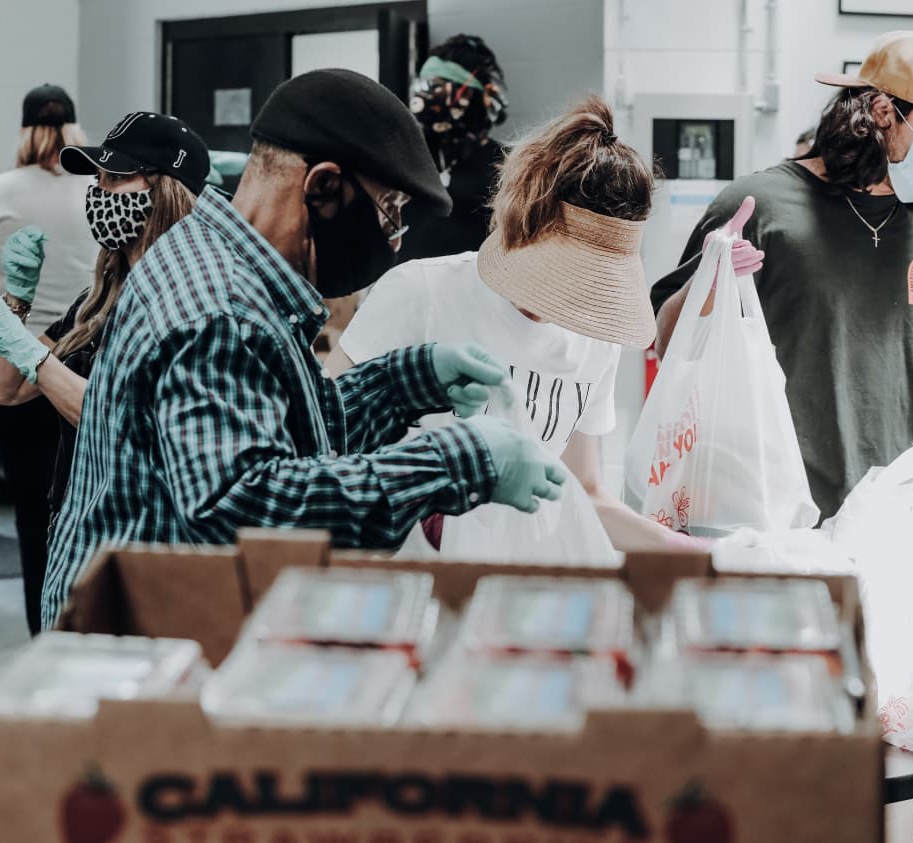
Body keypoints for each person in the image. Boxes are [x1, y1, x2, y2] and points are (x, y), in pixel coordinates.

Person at [38, 70, 566, 629]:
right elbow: (250, 509)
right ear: (323, 187)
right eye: (390, 210)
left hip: (156, 617)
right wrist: (457, 461)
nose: (395, 237)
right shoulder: (221, 309)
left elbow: (287, 435)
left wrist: (405, 380)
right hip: (135, 650)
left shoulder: (226, 264)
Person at [331, 95, 738, 552]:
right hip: (409, 578)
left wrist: (702, 554)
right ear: (525, 225)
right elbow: (323, 435)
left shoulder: (594, 341)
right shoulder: (420, 294)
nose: (568, 299)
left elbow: (585, 493)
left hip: (518, 584)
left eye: (591, 280)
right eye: (566, 272)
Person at [651, 30, 913, 520]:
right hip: (774, 515)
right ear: (884, 113)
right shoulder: (759, 207)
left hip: (899, 517)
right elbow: (667, 342)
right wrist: (712, 282)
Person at [0, 111, 208, 634]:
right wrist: (17, 302)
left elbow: (119, 422)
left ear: (165, 190)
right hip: (80, 524)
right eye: (97, 178)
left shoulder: (190, 302)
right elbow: (6, 390)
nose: (99, 192)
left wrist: (32, 353)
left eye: (115, 178)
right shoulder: (99, 298)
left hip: (140, 542)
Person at [0, 85, 97, 635]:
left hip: (12, 367)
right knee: (85, 507)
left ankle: (44, 636)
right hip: (84, 367)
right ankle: (87, 626)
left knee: (31, 515)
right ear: (75, 130)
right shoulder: (96, 188)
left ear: (23, 131)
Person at [399, 34, 508, 262]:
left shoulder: (505, 166)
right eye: (424, 85)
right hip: (405, 288)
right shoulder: (403, 157)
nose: (426, 97)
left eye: (437, 87)